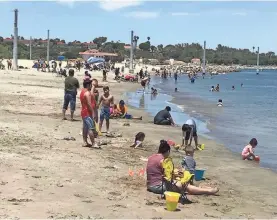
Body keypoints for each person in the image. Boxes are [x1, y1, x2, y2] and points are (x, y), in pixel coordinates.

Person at [146, 140, 219, 195]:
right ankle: (208, 191)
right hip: (158, 186)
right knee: (183, 185)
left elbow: (161, 172)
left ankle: (202, 189)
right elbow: (168, 176)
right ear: (168, 151)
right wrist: (178, 175)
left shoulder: (151, 157)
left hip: (149, 185)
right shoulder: (164, 160)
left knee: (179, 181)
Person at [80, 78, 99, 148]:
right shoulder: (87, 93)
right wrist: (93, 113)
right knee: (91, 128)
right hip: (87, 112)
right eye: (91, 84)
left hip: (83, 112)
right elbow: (89, 104)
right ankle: (93, 143)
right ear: (88, 85)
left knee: (85, 128)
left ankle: (85, 142)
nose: (91, 86)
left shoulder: (82, 91)